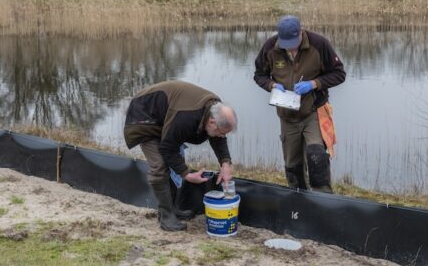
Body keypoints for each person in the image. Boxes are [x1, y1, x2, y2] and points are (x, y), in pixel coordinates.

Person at [123, 80, 237, 231]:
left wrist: (225, 163)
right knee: (160, 166)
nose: (221, 136)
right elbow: (168, 147)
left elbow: (218, 138)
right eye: (221, 132)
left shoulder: (215, 109)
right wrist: (187, 174)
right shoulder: (187, 116)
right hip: (144, 115)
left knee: (175, 162)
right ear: (211, 122)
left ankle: (173, 209)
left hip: (165, 119)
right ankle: (166, 216)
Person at [254, 15, 345, 192]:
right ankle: (299, 200)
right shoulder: (270, 48)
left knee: (316, 157)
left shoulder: (319, 45)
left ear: (301, 33)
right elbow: (259, 75)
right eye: (286, 43)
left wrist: (314, 84)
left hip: (313, 111)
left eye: (293, 43)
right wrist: (272, 85)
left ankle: (324, 202)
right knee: (292, 165)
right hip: (287, 115)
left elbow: (339, 74)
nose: (291, 48)